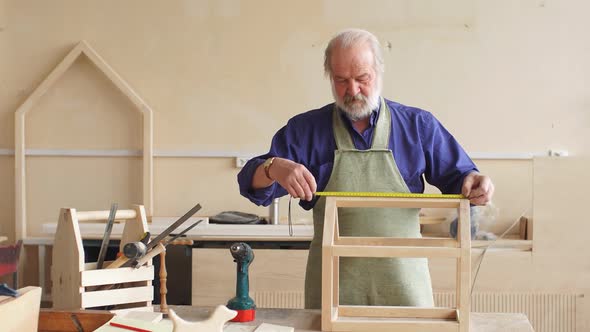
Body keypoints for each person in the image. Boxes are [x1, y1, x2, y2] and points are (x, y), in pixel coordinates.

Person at [237, 28, 494, 309]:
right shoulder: (306, 130)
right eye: (341, 80)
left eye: (362, 78)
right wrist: (274, 168)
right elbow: (251, 183)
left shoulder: (417, 126)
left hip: (404, 285)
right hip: (332, 288)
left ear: (379, 72)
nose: (353, 90)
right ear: (329, 77)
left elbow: (461, 179)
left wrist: (475, 182)